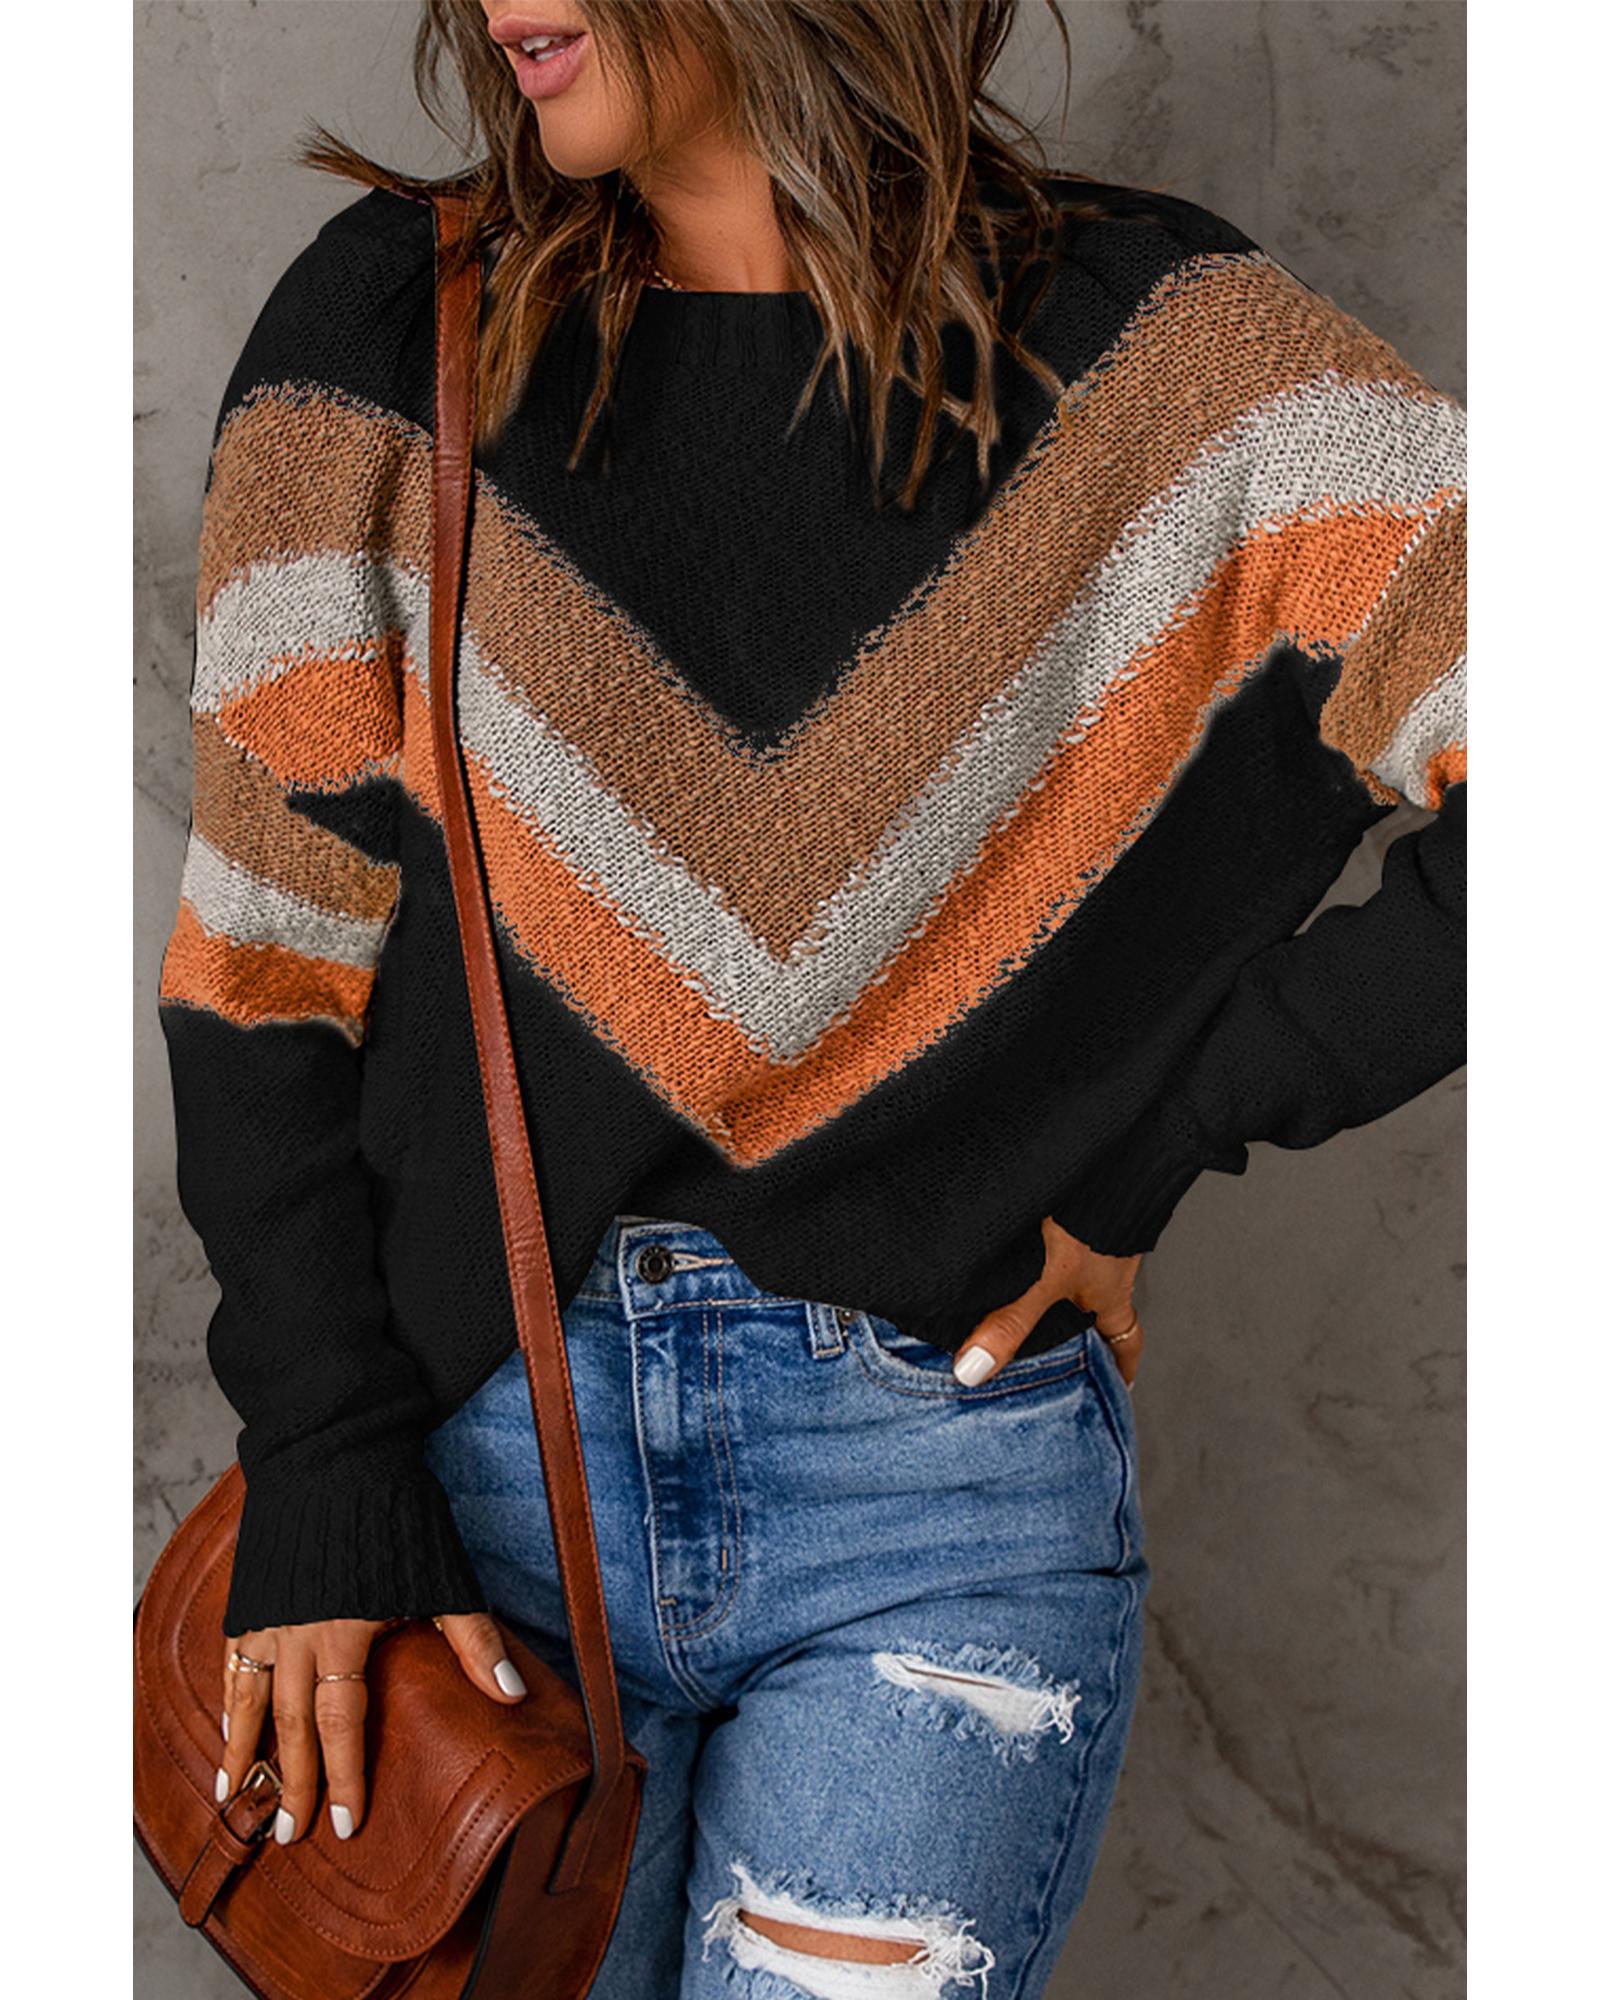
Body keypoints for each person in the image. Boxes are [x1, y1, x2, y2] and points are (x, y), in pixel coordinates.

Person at [154, 2, 1465, 1993]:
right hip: (476, 1496)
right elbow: (261, 962)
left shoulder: (1182, 360)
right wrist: (325, 1466)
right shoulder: (383, 336)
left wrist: (1166, 1132)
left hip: (942, 1496)